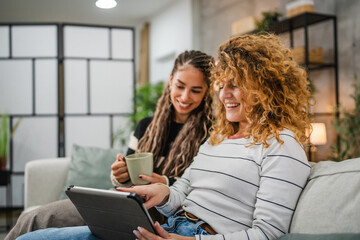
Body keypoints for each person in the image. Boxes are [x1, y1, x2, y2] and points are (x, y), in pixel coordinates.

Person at [16, 33, 312, 240]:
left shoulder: (281, 145)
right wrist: (165, 193)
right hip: (167, 223)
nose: (224, 95)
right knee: (36, 233)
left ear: (266, 87)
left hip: (186, 234)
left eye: (234, 85)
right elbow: (184, 189)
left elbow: (270, 233)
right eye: (221, 86)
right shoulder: (219, 139)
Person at [6, 50, 214, 240]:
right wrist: (119, 173)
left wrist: (166, 182)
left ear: (207, 91)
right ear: (170, 80)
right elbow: (124, 176)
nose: (185, 97)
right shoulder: (146, 126)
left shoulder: (212, 133)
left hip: (157, 212)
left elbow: (202, 188)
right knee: (33, 219)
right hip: (122, 199)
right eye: (180, 86)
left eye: (196, 90)